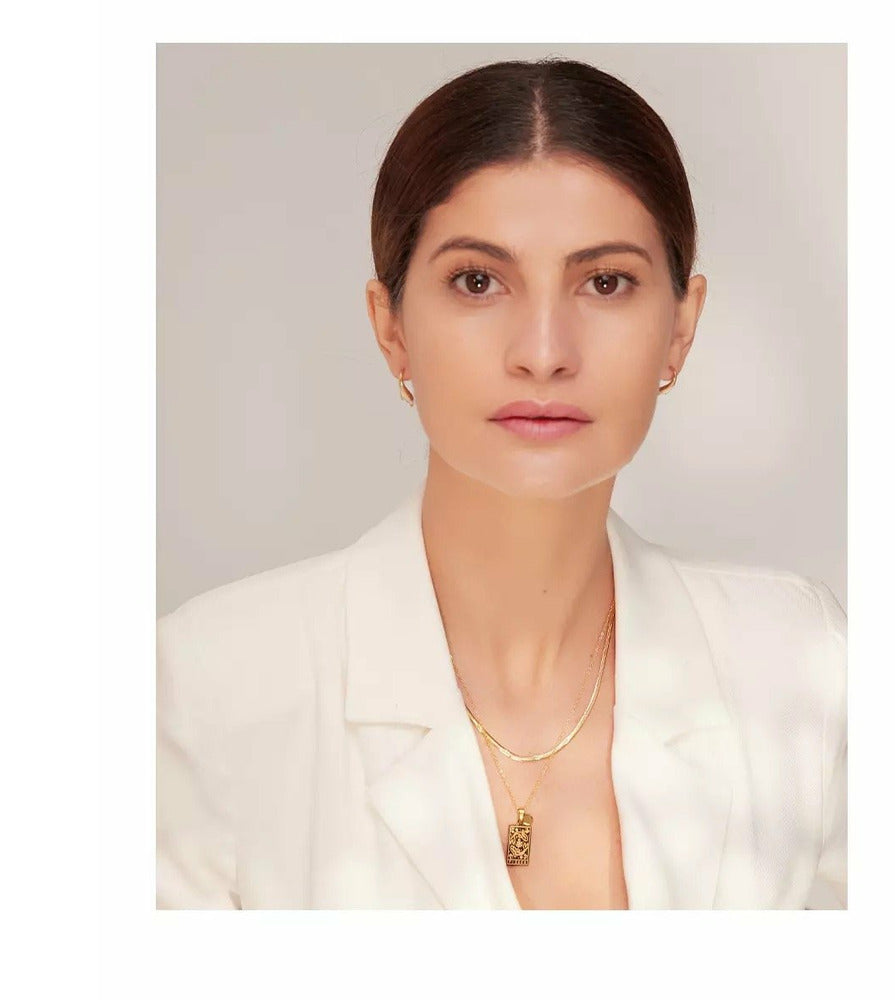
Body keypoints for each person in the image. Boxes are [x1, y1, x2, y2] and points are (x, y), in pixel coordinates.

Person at [156, 57, 847, 910]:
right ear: (391, 327)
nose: (544, 351)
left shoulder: (802, 667)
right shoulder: (210, 688)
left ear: (680, 326)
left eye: (605, 282)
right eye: (478, 282)